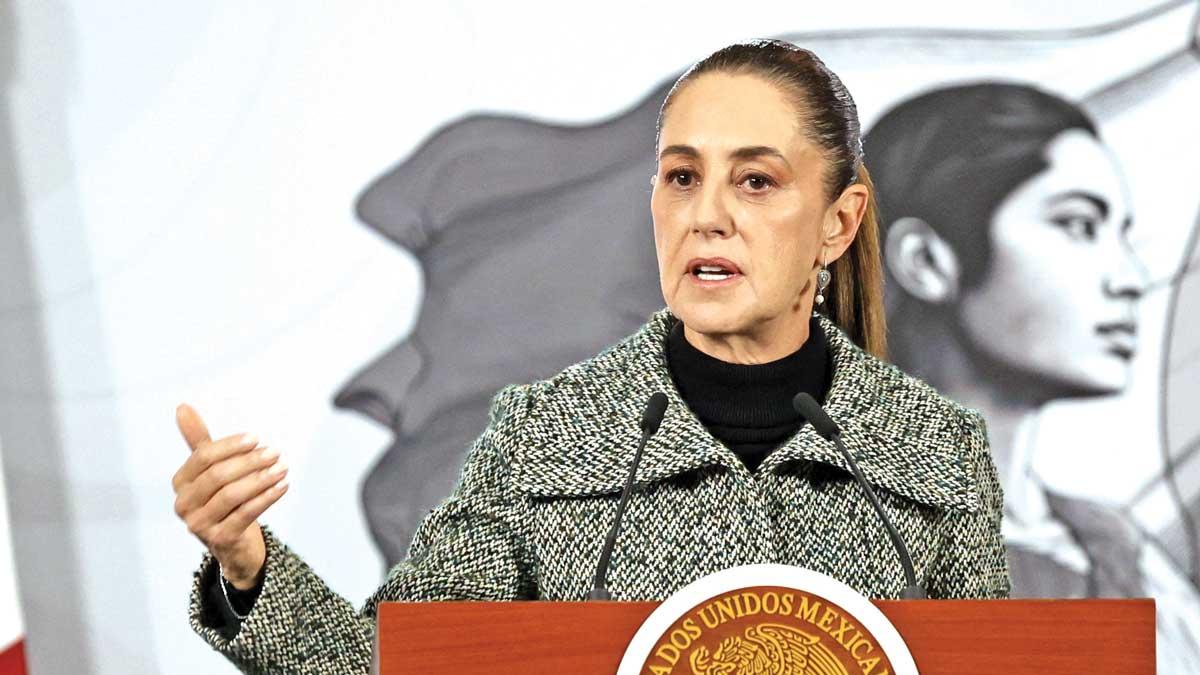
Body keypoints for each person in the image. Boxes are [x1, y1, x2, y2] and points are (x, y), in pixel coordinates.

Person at [171, 39, 1010, 673]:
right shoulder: (546, 433)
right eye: (682, 177)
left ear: (839, 220)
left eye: (755, 181)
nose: (706, 216)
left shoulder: (935, 447)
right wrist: (248, 566)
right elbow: (392, 664)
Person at [865, 82, 1200, 671]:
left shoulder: (1118, 553)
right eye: (1078, 224)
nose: (1130, 278)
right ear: (926, 261)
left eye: (1121, 234)